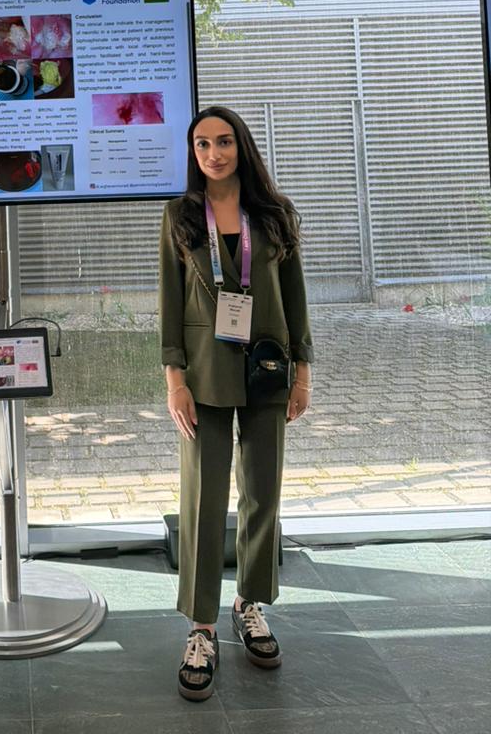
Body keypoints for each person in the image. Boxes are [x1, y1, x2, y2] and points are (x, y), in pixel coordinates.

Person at [160, 106, 313, 701]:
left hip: (268, 367)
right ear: (193, 153)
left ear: (241, 147)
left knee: (262, 490)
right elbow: (170, 301)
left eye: (224, 142)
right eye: (202, 144)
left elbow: (295, 296)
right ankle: (201, 625)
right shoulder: (180, 215)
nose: (214, 153)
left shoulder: (275, 214)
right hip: (203, 373)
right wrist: (174, 380)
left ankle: (249, 603)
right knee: (203, 498)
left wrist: (303, 372)